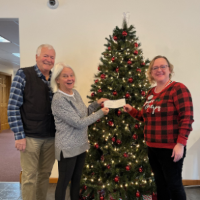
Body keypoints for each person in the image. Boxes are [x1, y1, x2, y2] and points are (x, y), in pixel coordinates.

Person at [123, 55, 194, 200]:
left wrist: (180, 144)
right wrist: (131, 110)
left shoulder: (178, 89)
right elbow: (144, 116)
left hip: (171, 148)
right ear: (151, 72)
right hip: (153, 147)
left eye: (163, 66)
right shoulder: (151, 93)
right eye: (155, 67)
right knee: (161, 184)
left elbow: (186, 117)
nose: (159, 70)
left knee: (174, 185)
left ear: (169, 69)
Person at [50, 63, 109, 200]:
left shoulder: (74, 93)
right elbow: (78, 123)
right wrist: (100, 113)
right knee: (64, 183)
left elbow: (84, 114)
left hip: (81, 145)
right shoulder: (58, 99)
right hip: (68, 148)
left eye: (71, 75)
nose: (70, 78)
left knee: (77, 181)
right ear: (57, 79)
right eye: (65, 76)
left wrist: (96, 103)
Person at [7, 44, 56, 200]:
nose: (48, 59)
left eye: (52, 57)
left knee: (45, 175)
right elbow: (13, 107)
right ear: (37, 57)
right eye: (45, 56)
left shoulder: (55, 79)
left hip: (51, 137)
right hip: (30, 137)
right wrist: (19, 135)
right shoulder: (23, 74)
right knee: (29, 176)